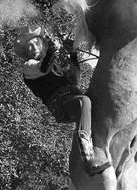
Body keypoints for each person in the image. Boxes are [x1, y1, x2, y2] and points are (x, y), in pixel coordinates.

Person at [13, 26, 112, 176]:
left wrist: (73, 55)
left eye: (36, 44)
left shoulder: (55, 66)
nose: (33, 48)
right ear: (26, 52)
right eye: (29, 46)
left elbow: (74, 80)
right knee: (83, 102)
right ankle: (87, 155)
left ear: (42, 45)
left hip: (72, 97)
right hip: (59, 104)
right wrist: (53, 48)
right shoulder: (28, 67)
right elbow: (43, 66)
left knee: (95, 99)